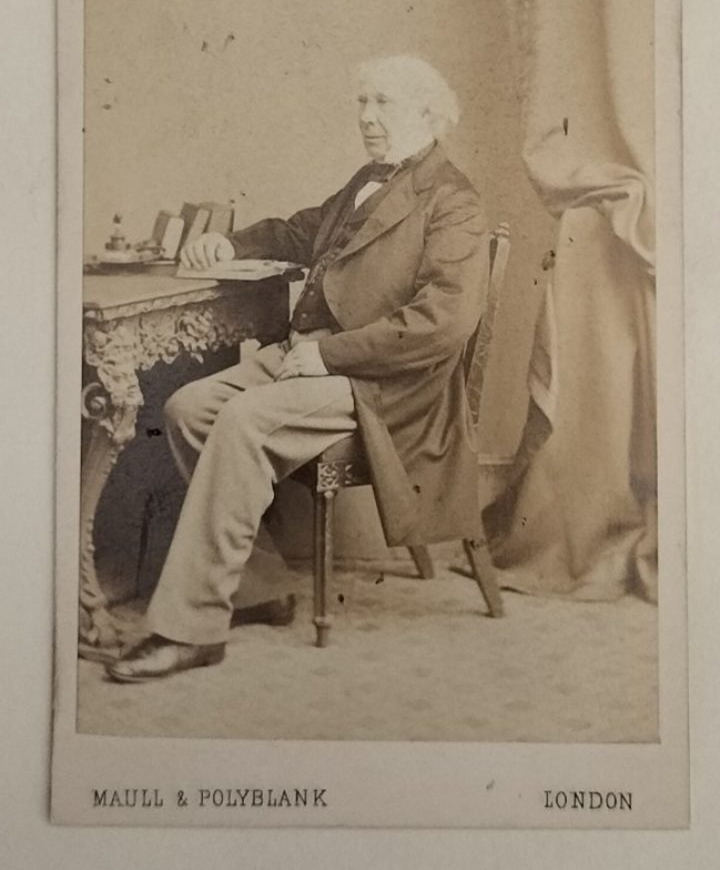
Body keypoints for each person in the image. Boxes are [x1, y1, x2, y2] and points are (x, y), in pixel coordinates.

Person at [107, 55, 489, 682]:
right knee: (187, 410)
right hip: (312, 360)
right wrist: (230, 244)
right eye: (361, 103)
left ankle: (190, 626)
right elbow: (298, 231)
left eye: (382, 104)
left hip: (383, 385)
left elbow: (444, 321)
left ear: (427, 114)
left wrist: (329, 354)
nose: (365, 117)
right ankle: (258, 585)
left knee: (241, 421)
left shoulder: (453, 202)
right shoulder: (370, 179)